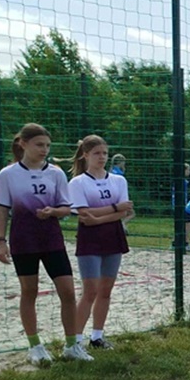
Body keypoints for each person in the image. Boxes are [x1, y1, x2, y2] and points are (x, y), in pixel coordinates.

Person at [0, 123, 91, 363]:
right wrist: (1, 242)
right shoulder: (8, 174)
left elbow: (67, 208)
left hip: (52, 239)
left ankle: (71, 345)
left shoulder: (55, 173)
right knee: (29, 291)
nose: (44, 149)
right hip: (23, 240)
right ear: (23, 144)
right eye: (39, 145)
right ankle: (35, 347)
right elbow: (2, 210)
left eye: (47, 145)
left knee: (67, 291)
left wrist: (53, 211)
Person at [68, 135, 132, 351]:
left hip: (113, 236)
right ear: (85, 155)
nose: (102, 157)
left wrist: (101, 216)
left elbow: (125, 211)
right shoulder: (78, 182)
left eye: (104, 153)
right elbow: (84, 214)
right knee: (90, 290)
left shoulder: (118, 180)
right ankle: (74, 340)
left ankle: (97, 337)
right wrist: (114, 208)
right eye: (97, 153)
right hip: (89, 239)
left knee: (106, 290)